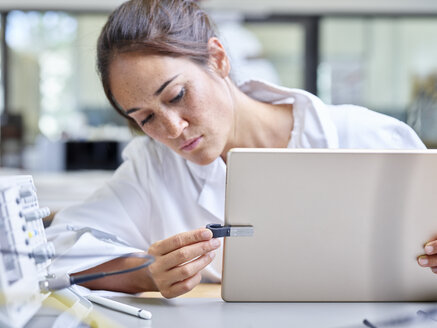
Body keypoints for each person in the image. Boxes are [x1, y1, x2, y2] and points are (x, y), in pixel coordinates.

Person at [46, 0, 434, 299]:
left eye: (177, 95)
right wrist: (147, 273)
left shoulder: (366, 136)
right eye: (145, 118)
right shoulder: (154, 167)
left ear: (217, 58)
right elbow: (49, 256)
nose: (173, 128)